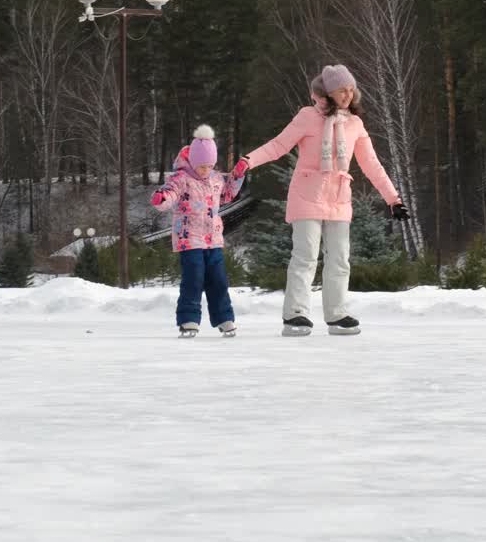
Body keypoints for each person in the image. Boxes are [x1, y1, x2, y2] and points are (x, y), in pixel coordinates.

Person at [233, 65, 409, 336]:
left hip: (339, 197)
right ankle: (296, 314)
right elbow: (279, 145)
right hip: (307, 194)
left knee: (340, 259)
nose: (348, 95)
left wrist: (393, 199)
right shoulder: (307, 116)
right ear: (328, 92)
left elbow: (372, 164)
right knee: (305, 257)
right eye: (342, 90)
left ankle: (337, 315)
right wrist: (249, 160)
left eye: (351, 89)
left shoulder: (354, 124)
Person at [152, 125, 246, 338]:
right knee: (194, 279)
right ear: (193, 161)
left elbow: (226, 195)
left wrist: (237, 176)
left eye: (209, 165)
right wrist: (162, 198)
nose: (205, 170)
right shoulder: (181, 178)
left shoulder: (215, 178)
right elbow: (171, 193)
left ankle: (224, 318)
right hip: (189, 238)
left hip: (213, 238)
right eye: (202, 166)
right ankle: (188, 320)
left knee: (219, 280)